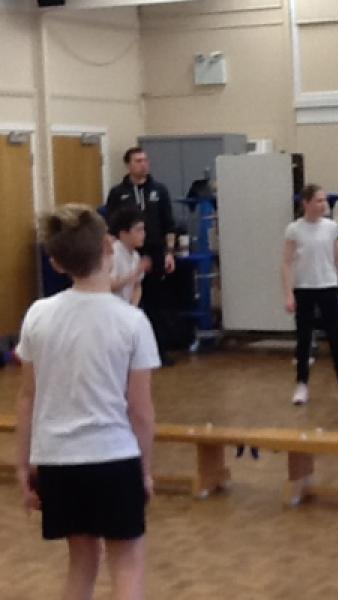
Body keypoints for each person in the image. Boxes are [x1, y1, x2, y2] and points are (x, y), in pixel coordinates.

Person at [15, 204, 158, 600]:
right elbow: (141, 412)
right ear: (108, 246)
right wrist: (145, 471)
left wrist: (24, 464)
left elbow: (27, 397)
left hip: (58, 462)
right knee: (127, 564)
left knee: (81, 562)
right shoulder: (132, 321)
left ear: (56, 263)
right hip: (114, 457)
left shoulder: (38, 315)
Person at [282, 184, 338, 406]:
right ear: (306, 203)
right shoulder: (294, 230)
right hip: (304, 288)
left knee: (335, 337)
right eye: (319, 200)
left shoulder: (331, 227)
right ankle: (301, 384)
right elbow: (287, 263)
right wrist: (288, 294)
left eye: (324, 200)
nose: (323, 204)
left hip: (328, 286)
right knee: (303, 339)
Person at [106, 147, 177, 366]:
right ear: (128, 165)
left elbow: (169, 224)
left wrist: (169, 253)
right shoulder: (118, 193)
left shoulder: (159, 190)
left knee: (157, 303)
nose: (143, 164)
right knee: (124, 296)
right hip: (128, 250)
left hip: (154, 252)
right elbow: (111, 226)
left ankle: (159, 350)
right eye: (138, 160)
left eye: (145, 160)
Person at [109, 207, 151, 306]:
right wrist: (134, 274)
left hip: (126, 308)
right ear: (123, 234)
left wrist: (133, 307)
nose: (143, 234)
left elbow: (137, 286)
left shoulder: (136, 256)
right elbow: (109, 286)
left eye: (143, 229)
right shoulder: (113, 253)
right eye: (138, 230)